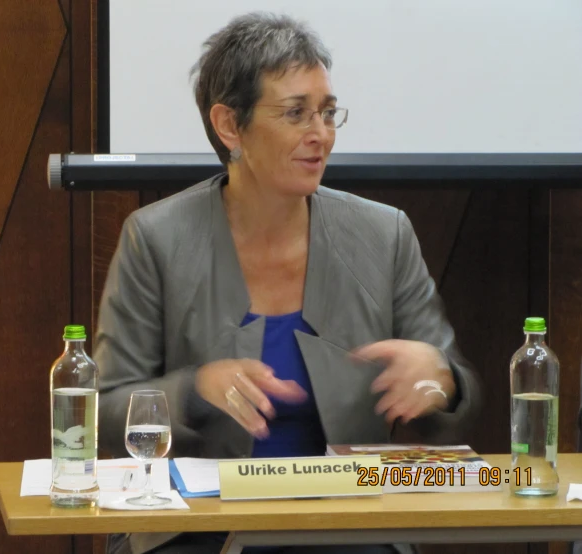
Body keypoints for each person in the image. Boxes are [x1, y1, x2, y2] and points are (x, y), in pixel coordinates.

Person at [95, 11, 481, 554]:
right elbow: (104, 410)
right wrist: (194, 391)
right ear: (230, 126)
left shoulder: (383, 234)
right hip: (199, 530)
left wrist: (441, 379)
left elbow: (457, 396)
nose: (320, 135)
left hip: (352, 530)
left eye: (327, 113)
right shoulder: (156, 238)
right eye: (296, 113)